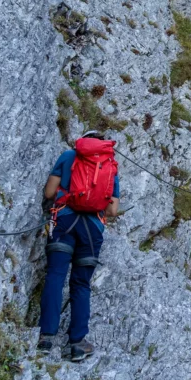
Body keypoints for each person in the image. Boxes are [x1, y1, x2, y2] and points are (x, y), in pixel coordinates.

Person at [37, 131, 120, 361]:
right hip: (92, 230)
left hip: (64, 221)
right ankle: (77, 343)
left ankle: (46, 337)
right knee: (81, 284)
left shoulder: (68, 156)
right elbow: (112, 210)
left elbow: (49, 192)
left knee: (55, 275)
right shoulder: (109, 165)